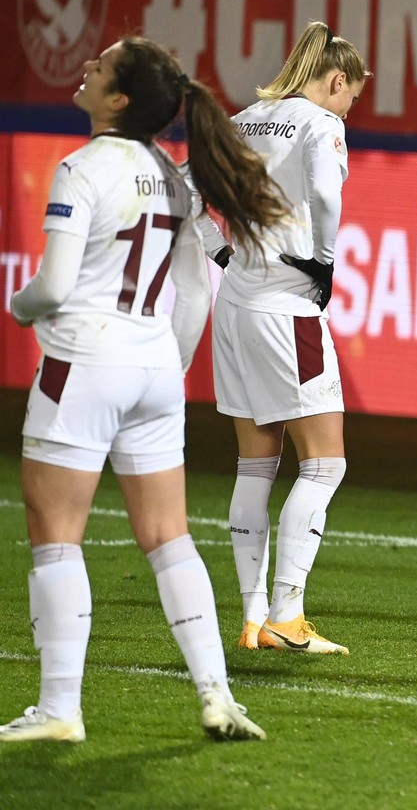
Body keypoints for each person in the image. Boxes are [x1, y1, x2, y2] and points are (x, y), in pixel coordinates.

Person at [1, 36, 282, 742]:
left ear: (119, 99)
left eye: (102, 64)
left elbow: (55, 288)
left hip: (83, 362)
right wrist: (164, 367)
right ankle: (217, 695)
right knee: (170, 539)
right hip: (155, 364)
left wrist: (19, 306)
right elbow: (194, 290)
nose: (89, 65)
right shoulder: (175, 175)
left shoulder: (82, 167)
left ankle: (61, 710)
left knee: (56, 539)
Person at [206, 21, 369, 656]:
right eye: (350, 96)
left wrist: (220, 252)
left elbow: (189, 191)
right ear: (335, 81)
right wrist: (324, 261)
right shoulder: (321, 124)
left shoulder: (244, 118)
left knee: (256, 461)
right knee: (326, 461)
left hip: (236, 305)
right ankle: (289, 614)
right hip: (287, 308)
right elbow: (325, 195)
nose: (349, 109)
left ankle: (252, 619)